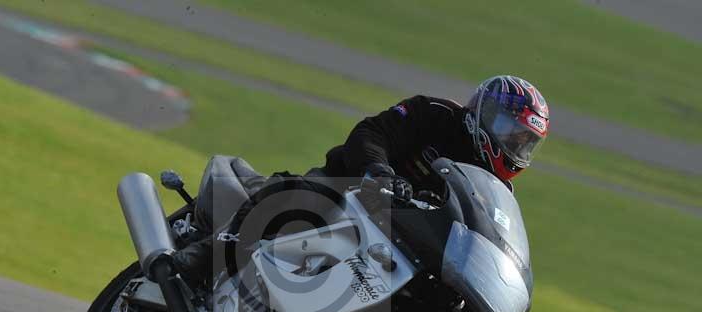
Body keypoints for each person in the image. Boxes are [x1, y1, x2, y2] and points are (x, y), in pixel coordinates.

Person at [171, 75, 550, 286]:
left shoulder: (494, 190)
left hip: (400, 237)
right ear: (485, 112)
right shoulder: (435, 115)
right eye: (510, 131)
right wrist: (378, 171)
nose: (516, 144)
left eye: (525, 142)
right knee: (311, 200)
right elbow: (371, 133)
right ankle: (205, 255)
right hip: (352, 188)